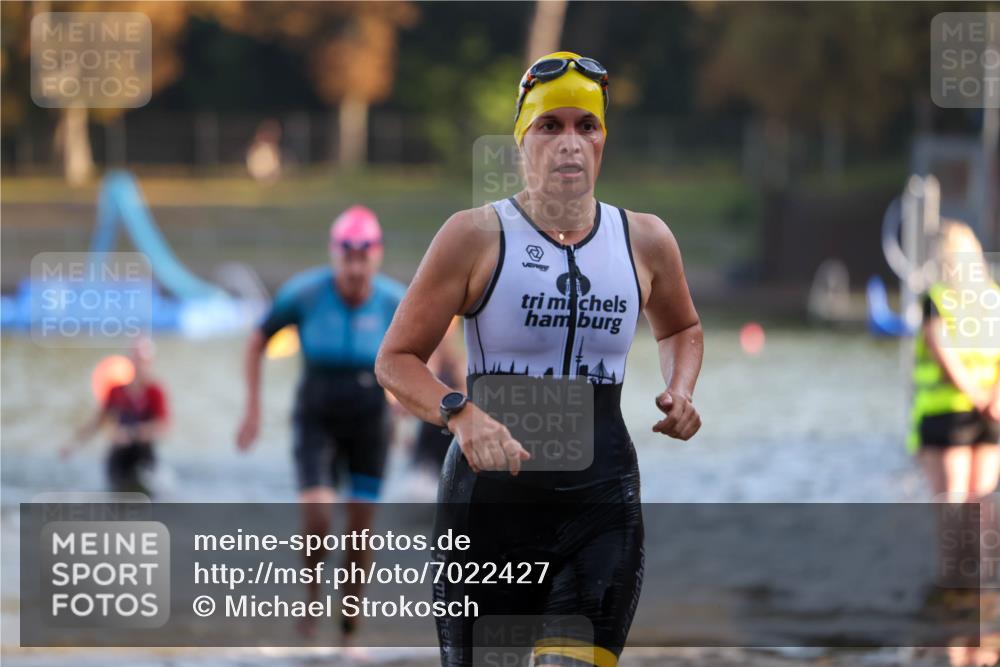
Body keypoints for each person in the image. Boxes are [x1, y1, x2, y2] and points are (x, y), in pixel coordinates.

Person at [375, 52, 703, 667]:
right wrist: (460, 414)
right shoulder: (474, 235)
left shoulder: (647, 240)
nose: (570, 144)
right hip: (491, 510)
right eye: (551, 126)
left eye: (588, 126)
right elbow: (395, 359)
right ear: (522, 140)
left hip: (602, 504)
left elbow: (681, 326)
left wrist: (680, 387)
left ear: (604, 140)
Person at [236, 204, 405, 641]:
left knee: (360, 531)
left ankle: (349, 627)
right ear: (334, 256)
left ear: (377, 255)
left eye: (362, 258)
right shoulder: (305, 294)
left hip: (370, 421)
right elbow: (257, 341)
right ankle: (311, 596)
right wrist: (252, 409)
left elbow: (427, 346)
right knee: (318, 517)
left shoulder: (393, 300)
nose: (354, 269)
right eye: (346, 258)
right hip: (317, 417)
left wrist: (405, 394)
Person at [909, 221, 1000, 667]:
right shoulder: (994, 298)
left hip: (949, 417)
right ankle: (980, 622)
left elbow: (939, 349)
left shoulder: (938, 298)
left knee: (953, 514)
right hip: (991, 417)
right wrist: (993, 399)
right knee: (981, 512)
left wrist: (973, 396)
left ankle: (954, 615)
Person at [61, 338, 169, 496]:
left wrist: (132, 433)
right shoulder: (116, 391)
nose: (139, 364)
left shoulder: (155, 392)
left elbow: (162, 426)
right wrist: (73, 445)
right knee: (115, 490)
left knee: (150, 489)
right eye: (136, 359)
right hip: (119, 453)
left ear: (150, 362)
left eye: (143, 360)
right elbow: (98, 421)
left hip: (143, 453)